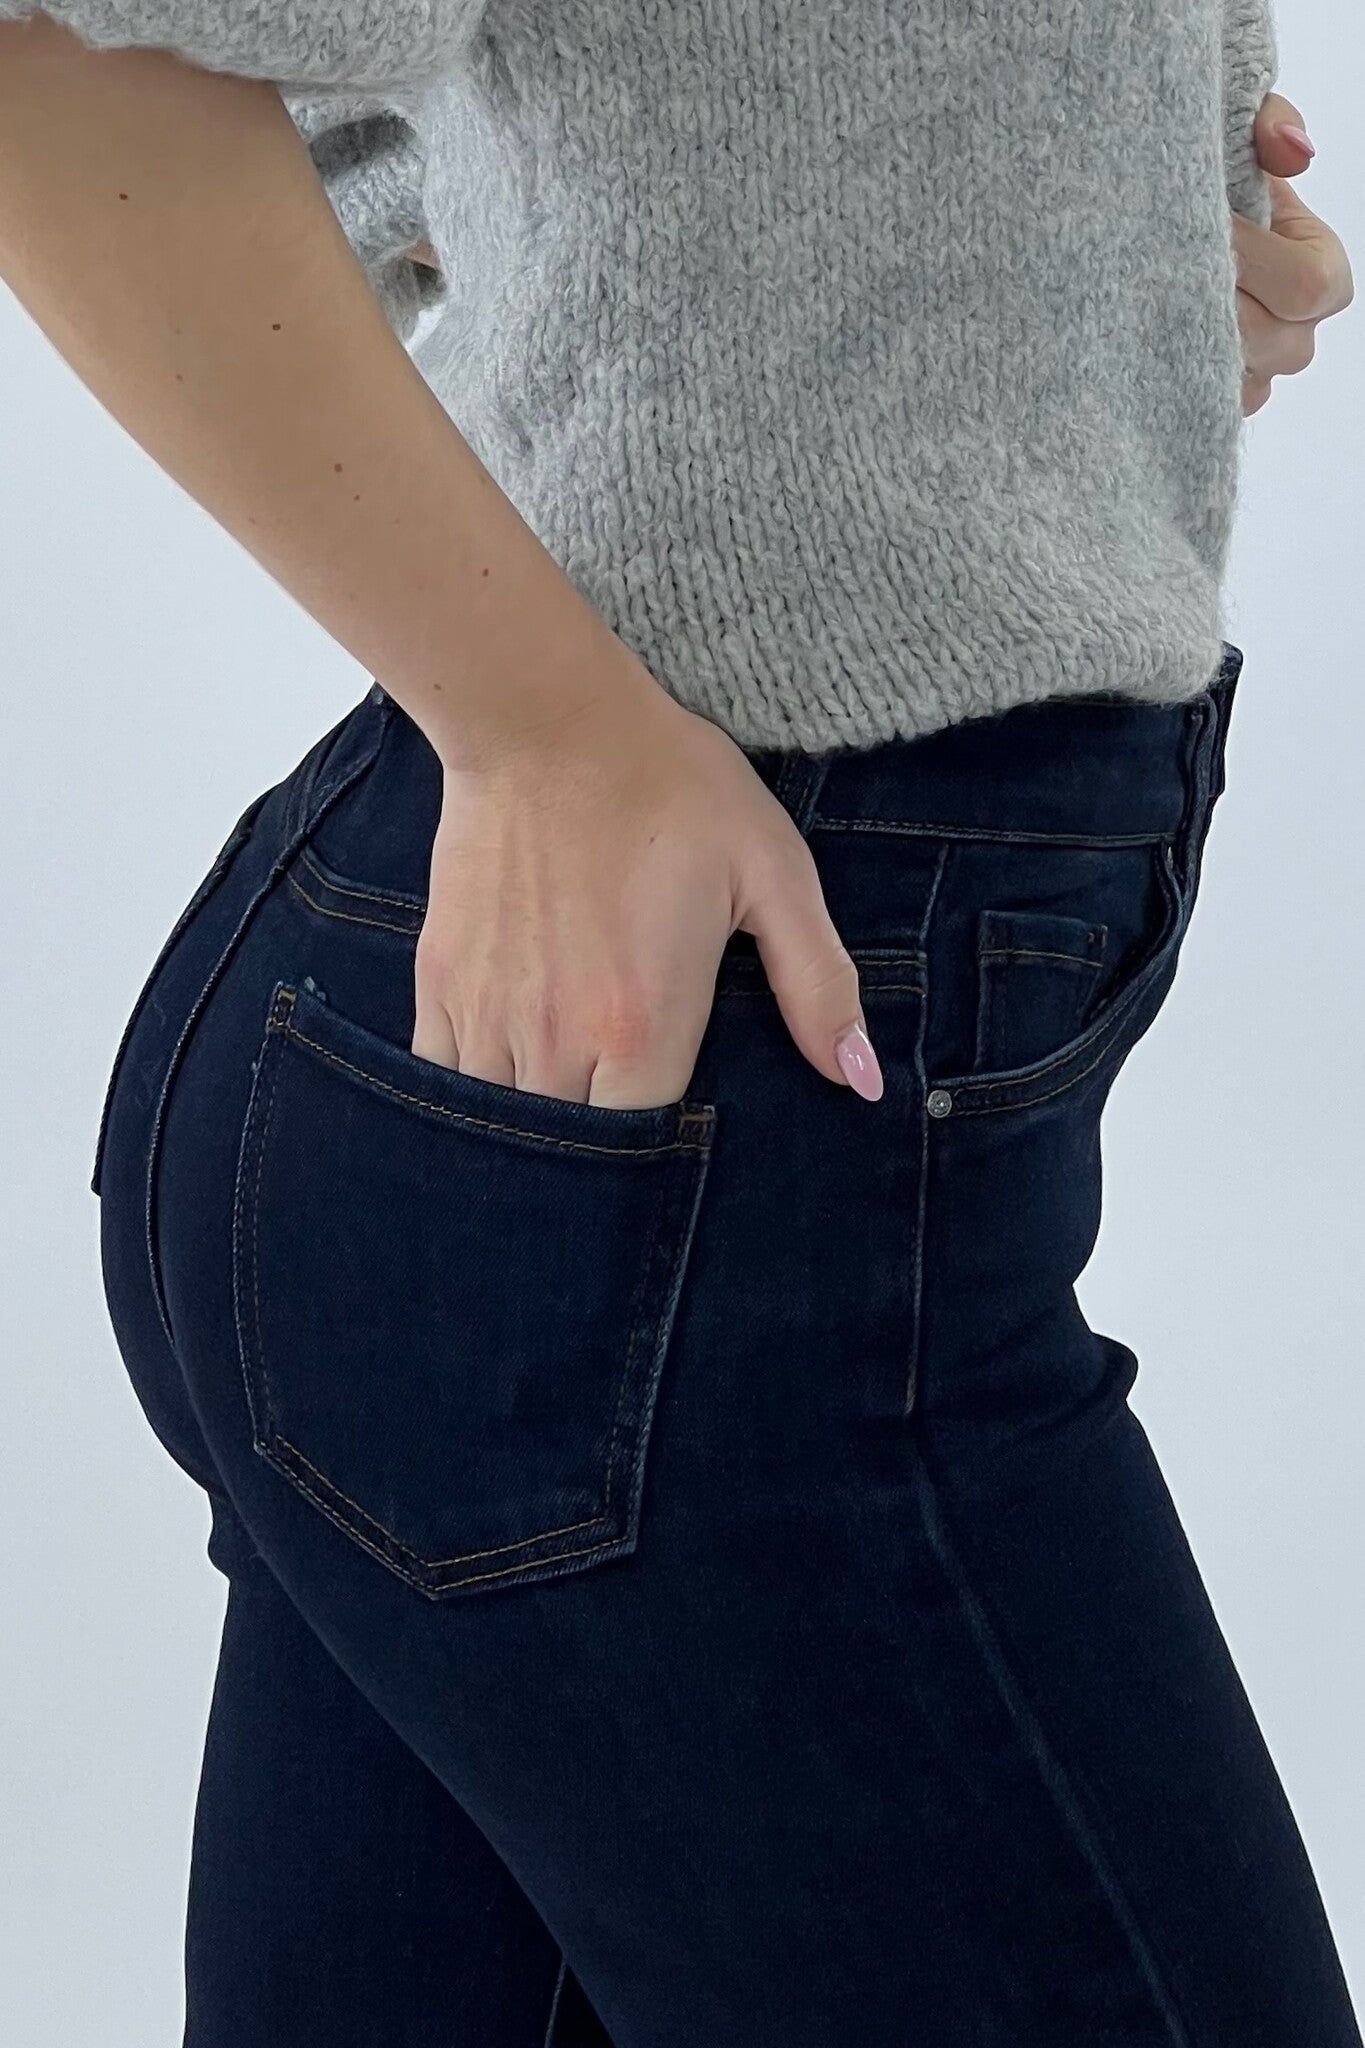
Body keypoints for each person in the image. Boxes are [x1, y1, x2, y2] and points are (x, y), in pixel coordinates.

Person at [0, 5, 1358, 2043]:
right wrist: (539, 724)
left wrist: (1083, 280)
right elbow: (62, 51)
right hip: (661, 1133)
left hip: (591, 1120)